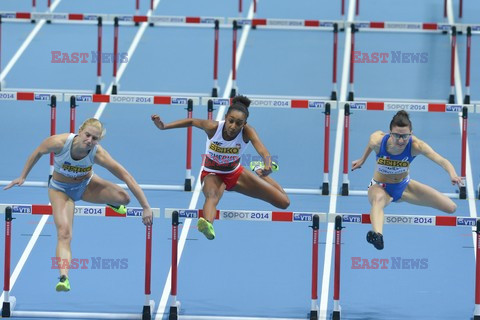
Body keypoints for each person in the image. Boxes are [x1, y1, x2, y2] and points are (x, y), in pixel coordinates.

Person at [4, 118, 153, 291]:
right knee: (64, 233)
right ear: (80, 131)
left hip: (86, 186)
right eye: (87, 135)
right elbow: (38, 152)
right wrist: (23, 176)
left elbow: (126, 176)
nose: (89, 140)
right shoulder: (59, 142)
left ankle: (109, 201)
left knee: (124, 199)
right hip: (61, 191)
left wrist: (145, 206)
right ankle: (63, 278)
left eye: (94, 138)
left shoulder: (97, 153)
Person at [151, 95, 290, 240]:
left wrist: (268, 164)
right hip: (212, 174)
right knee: (212, 196)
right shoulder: (213, 128)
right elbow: (192, 121)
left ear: (244, 124)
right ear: (225, 117)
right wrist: (164, 126)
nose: (233, 126)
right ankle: (207, 224)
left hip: (235, 174)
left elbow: (263, 151)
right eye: (230, 121)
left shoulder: (248, 132)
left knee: (283, 202)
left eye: (238, 123)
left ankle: (260, 171)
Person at [351, 110, 461, 250]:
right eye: (397, 136)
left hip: (404, 186)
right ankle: (377, 235)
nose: (401, 140)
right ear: (390, 133)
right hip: (380, 187)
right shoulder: (378, 141)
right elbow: (371, 144)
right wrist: (362, 160)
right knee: (378, 200)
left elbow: (441, 160)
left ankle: (379, 229)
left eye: (405, 136)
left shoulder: (416, 146)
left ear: (411, 133)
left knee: (451, 207)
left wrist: (452, 174)